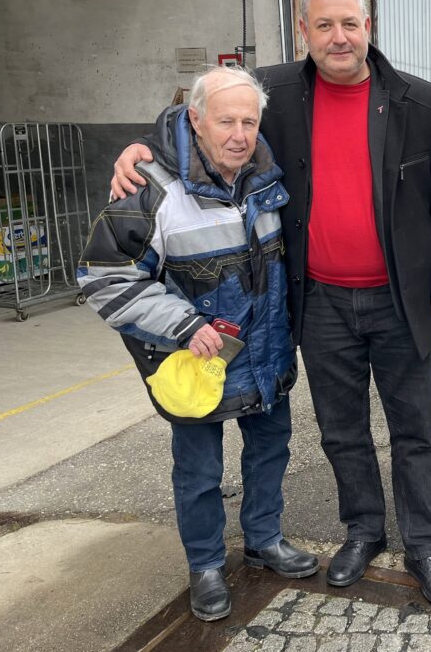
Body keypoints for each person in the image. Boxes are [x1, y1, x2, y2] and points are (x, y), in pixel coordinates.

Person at [111, 0, 431, 607]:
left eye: (350, 23)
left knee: (414, 432)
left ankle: (425, 546)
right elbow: (202, 112)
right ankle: (363, 531)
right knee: (342, 430)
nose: (339, 37)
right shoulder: (276, 92)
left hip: (402, 300)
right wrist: (140, 149)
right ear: (305, 32)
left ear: (368, 26)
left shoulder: (421, 101)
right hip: (319, 300)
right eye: (324, 25)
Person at [82, 66, 318, 622]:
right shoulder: (149, 187)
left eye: (249, 122)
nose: (239, 135)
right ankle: (206, 564)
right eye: (225, 121)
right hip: (195, 364)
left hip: (265, 355)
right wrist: (184, 325)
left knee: (271, 452)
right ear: (195, 118)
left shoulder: (269, 176)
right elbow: (104, 277)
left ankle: (264, 539)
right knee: (199, 472)